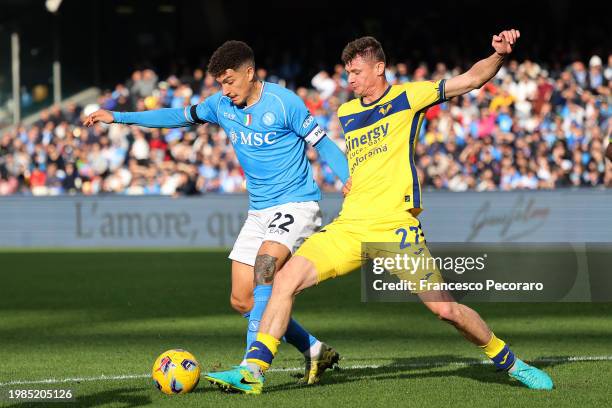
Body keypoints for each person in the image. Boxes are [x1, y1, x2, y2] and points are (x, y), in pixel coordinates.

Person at [205, 29, 555, 394]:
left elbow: (471, 79)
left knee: (445, 310)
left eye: (356, 72)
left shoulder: (409, 96)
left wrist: (497, 56)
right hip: (350, 226)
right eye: (346, 73)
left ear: (380, 68)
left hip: (394, 228)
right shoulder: (347, 112)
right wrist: (349, 179)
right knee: (284, 280)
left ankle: (511, 361)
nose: (349, 79)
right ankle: (254, 370)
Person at [84, 40, 350, 384]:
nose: (225, 90)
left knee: (265, 267)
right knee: (242, 300)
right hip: (259, 210)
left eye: (229, 81)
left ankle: (250, 371)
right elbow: (176, 117)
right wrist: (118, 117)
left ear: (249, 73)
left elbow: (323, 143)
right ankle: (313, 349)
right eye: (220, 84)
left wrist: (349, 180)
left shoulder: (285, 103)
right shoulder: (220, 105)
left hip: (297, 203)